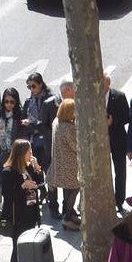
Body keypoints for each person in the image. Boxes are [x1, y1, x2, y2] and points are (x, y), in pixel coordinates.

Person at [0, 137, 44, 262]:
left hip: (31, 213)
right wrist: (22, 186)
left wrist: (37, 169)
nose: (31, 154)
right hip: (17, 216)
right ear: (21, 153)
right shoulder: (8, 171)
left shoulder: (28, 168)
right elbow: (7, 194)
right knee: (17, 247)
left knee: (30, 247)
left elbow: (40, 184)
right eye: (29, 151)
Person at [0, 87, 27, 219]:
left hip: (13, 153)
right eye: (6, 101)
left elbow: (23, 135)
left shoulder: (20, 115)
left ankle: (12, 206)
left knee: (11, 179)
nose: (9, 104)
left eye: (12, 102)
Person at [47, 98, 80, 231]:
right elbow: (76, 146)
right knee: (75, 189)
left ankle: (70, 214)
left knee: (67, 191)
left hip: (60, 163)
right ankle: (67, 218)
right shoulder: (68, 128)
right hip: (70, 166)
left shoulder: (56, 122)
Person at [103, 71, 130, 213]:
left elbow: (127, 117)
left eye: (103, 82)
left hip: (118, 140)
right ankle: (106, 200)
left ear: (108, 83)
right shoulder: (93, 97)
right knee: (103, 172)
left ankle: (119, 201)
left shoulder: (119, 96)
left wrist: (114, 121)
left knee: (120, 172)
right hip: (101, 141)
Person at [21, 72, 56, 180]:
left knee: (49, 170)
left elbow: (51, 122)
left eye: (33, 86)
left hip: (47, 140)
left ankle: (52, 195)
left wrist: (33, 123)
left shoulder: (50, 100)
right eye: (29, 87)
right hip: (33, 140)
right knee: (35, 170)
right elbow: (22, 118)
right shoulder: (29, 101)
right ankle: (41, 191)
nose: (31, 89)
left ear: (40, 84)